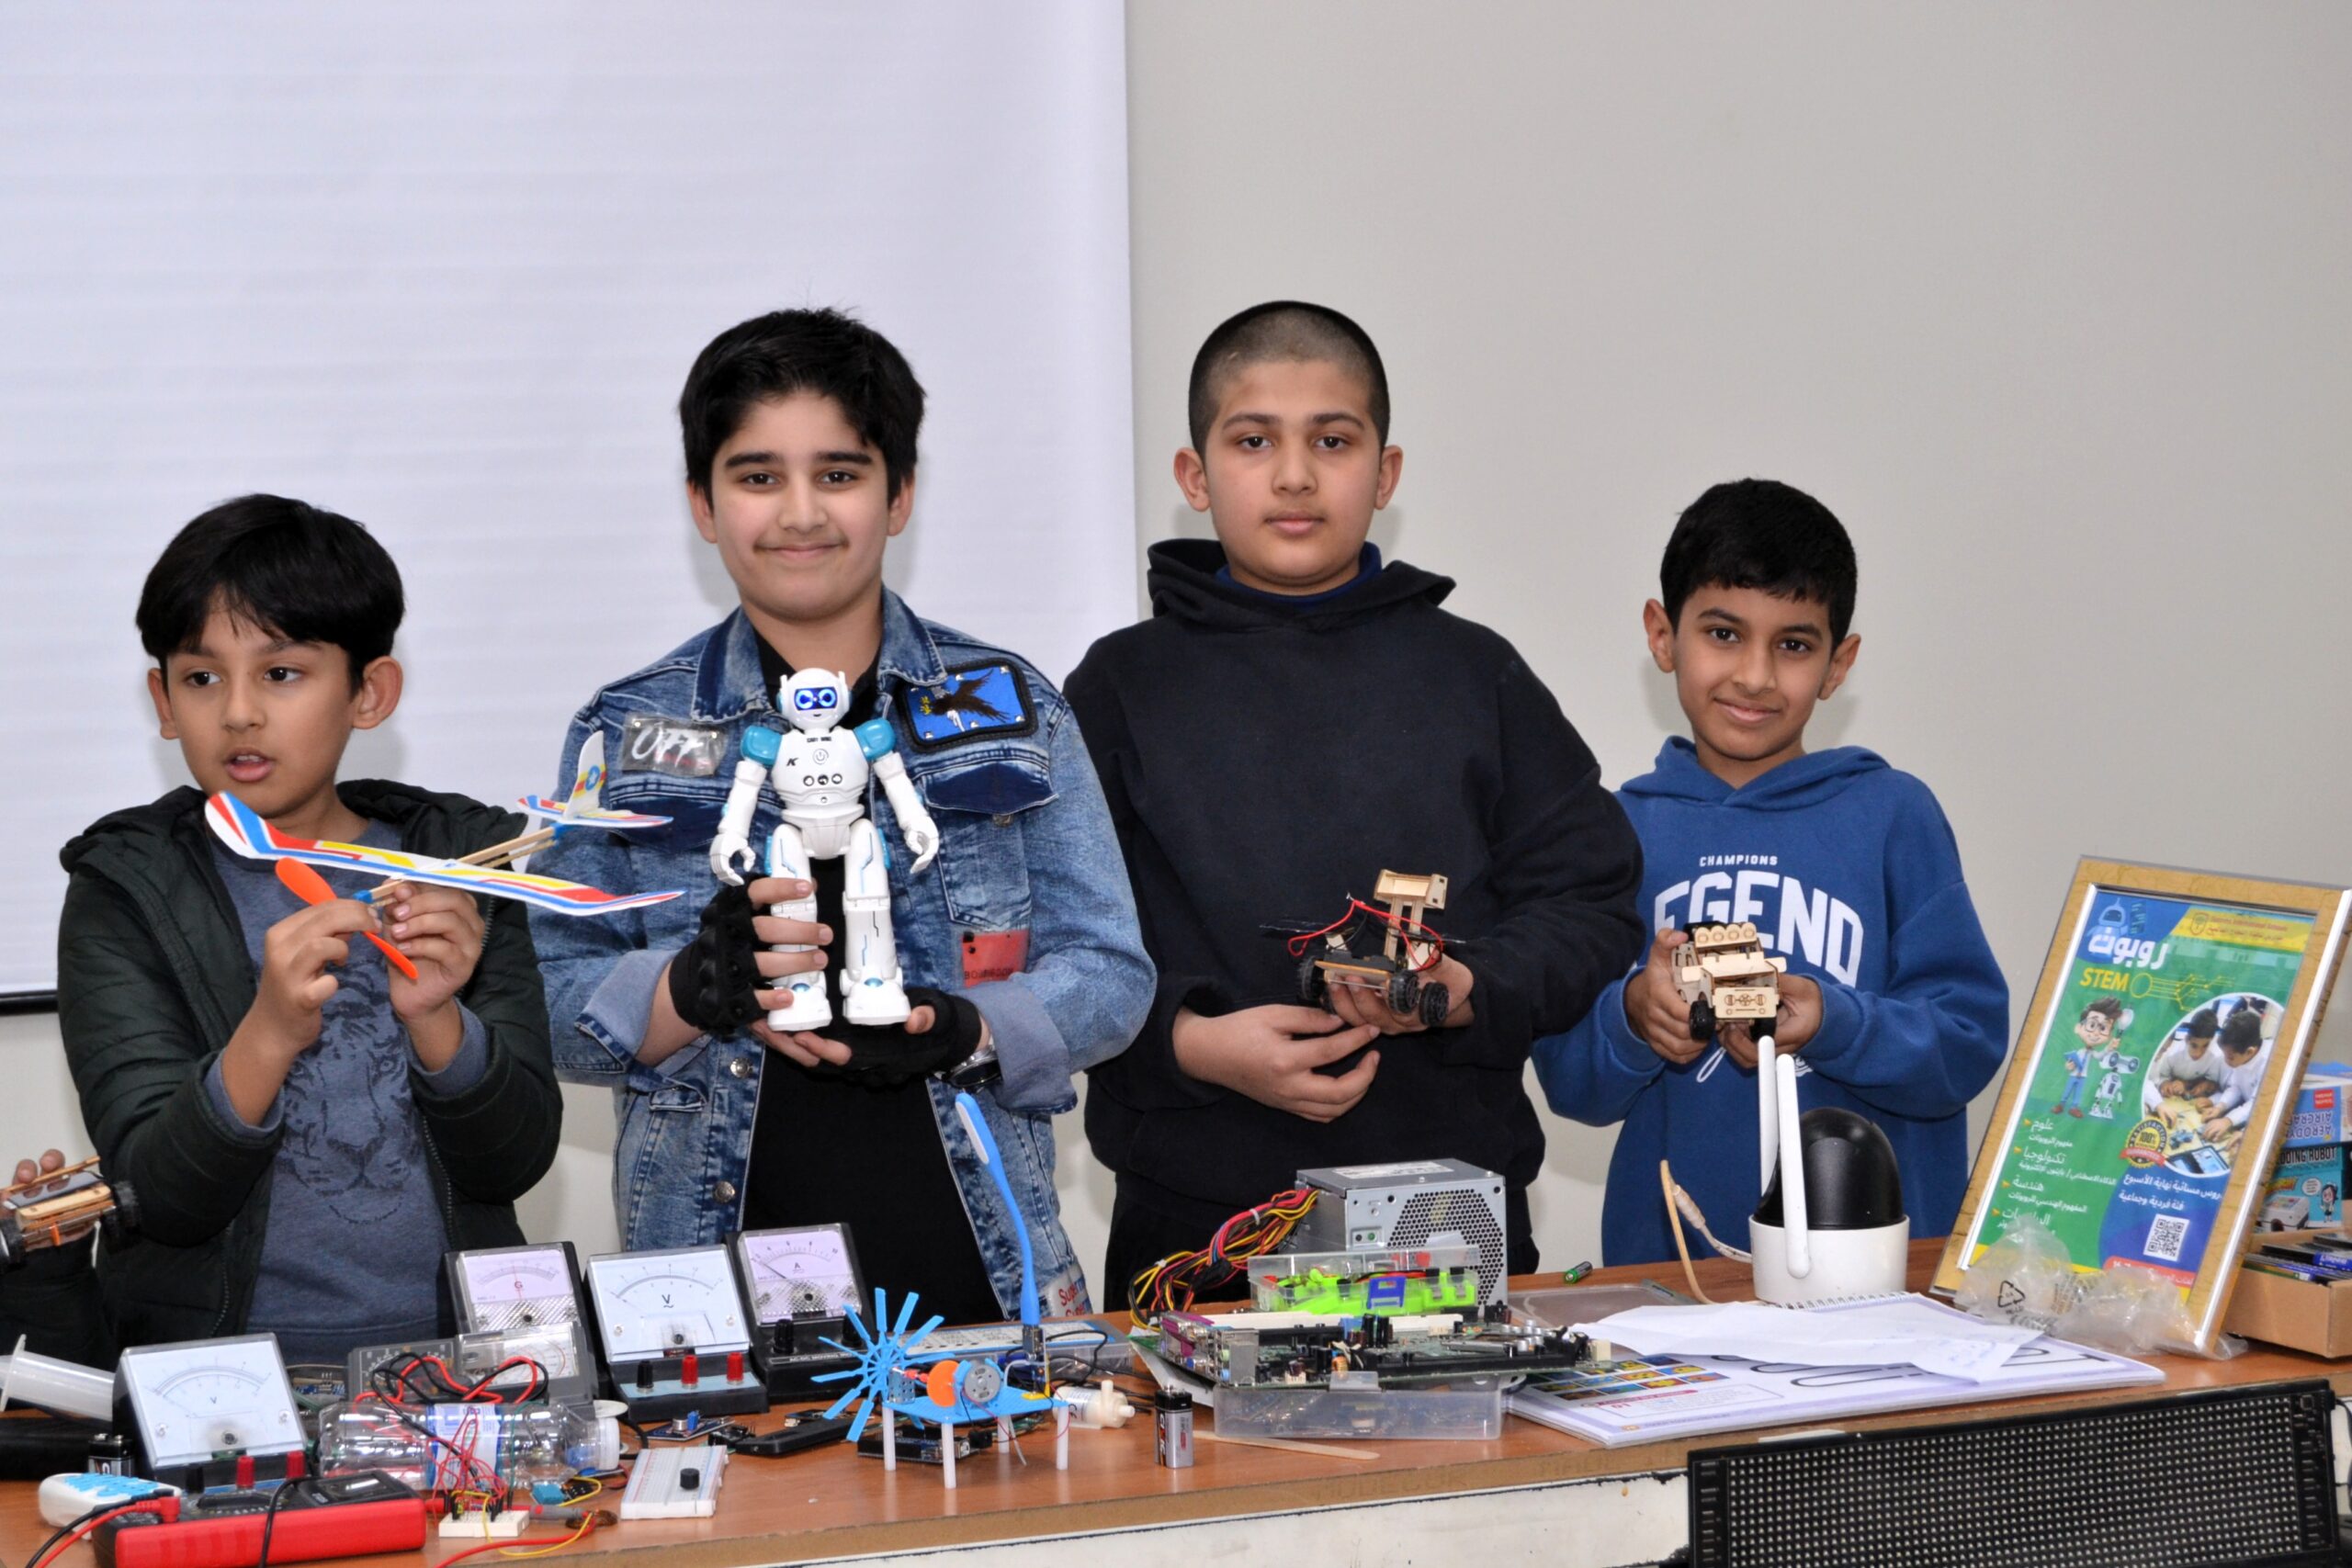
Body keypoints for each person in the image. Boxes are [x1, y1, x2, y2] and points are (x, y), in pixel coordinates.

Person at [528, 308, 1151, 1324]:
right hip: (710, 1298)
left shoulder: (1010, 705)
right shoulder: (629, 727)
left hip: (987, 1283)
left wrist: (970, 1029)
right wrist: (687, 988)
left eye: (839, 472)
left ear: (899, 495)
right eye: (757, 475)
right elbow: (545, 999)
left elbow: (1112, 975)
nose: (800, 512)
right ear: (702, 503)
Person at [1066, 300, 1644, 1303]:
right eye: (1254, 441)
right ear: (1195, 476)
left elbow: (1590, 901)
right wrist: (1191, 1044)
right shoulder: (1119, 688)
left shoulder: (1476, 675)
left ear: (1385, 473)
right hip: (1193, 1225)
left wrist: (1466, 987)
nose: (1295, 476)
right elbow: (1063, 940)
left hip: (1447, 1216)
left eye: (1332, 441)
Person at [50, 495, 560, 1361]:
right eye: (202, 677)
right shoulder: (126, 886)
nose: (239, 712)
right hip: (220, 1381)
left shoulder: (461, 862)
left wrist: (437, 1014)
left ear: (370, 691)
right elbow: (156, 1194)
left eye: (281, 672)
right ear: (162, 700)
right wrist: (270, 1030)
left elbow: (513, 1159)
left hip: (462, 1365)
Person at [1533, 479, 2009, 1265]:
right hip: (1675, 1282)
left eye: (1793, 644)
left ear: (1838, 663)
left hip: (1875, 1279)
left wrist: (1832, 1021)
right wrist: (1635, 1016)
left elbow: (1968, 1042)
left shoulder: (1894, 814)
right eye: (1723, 633)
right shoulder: (1616, 831)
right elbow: (1569, 1080)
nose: (1755, 676)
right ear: (1663, 635)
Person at [2201, 1008, 2273, 1143]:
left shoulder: (2271, 1063)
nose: (2226, 1061)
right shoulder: (2241, 1053)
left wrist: (2228, 1120)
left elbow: (2258, 1103)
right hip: (2247, 1113)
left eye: (2230, 1057)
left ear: (2250, 1052)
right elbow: (2236, 1087)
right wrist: (2220, 1106)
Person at [2056, 999, 2120, 1118]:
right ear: (2078, 1028)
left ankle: (2074, 1108)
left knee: (2078, 1093)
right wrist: (2068, 1066)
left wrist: (2109, 1048)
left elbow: (2100, 1056)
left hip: (2083, 1077)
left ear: (2109, 1035)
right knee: (2068, 1090)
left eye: (2103, 1028)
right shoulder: (2079, 1052)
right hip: (2073, 1075)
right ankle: (2061, 1104)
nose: (2096, 1033)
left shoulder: (2092, 1053)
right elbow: (2070, 1061)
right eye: (2092, 1025)